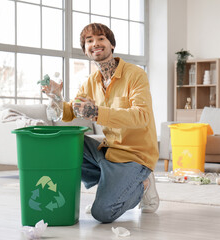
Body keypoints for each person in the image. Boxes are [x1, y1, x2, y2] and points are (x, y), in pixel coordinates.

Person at [41, 23, 159, 223]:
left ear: (111, 45)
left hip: (135, 156)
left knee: (102, 214)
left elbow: (141, 116)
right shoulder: (91, 81)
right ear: (86, 51)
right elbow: (69, 113)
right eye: (89, 41)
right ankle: (114, 187)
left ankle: (143, 184)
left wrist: (97, 112)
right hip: (109, 151)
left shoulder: (135, 75)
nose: (95, 43)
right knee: (65, 144)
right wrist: (56, 97)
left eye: (101, 38)